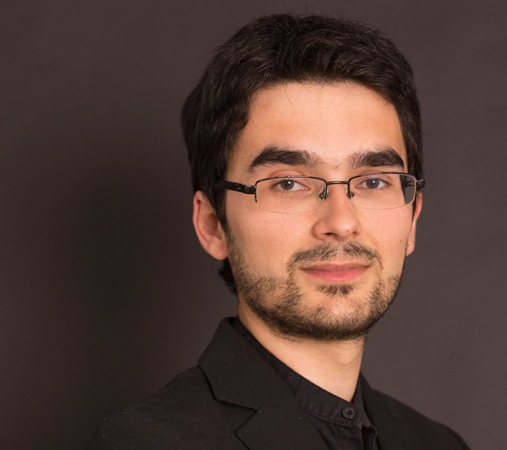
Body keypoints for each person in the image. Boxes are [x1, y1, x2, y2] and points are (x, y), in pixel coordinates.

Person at [89, 13, 469, 450]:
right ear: (213, 224)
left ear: (412, 217)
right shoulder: (149, 442)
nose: (341, 222)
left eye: (372, 181)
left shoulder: (437, 443)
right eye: (288, 183)